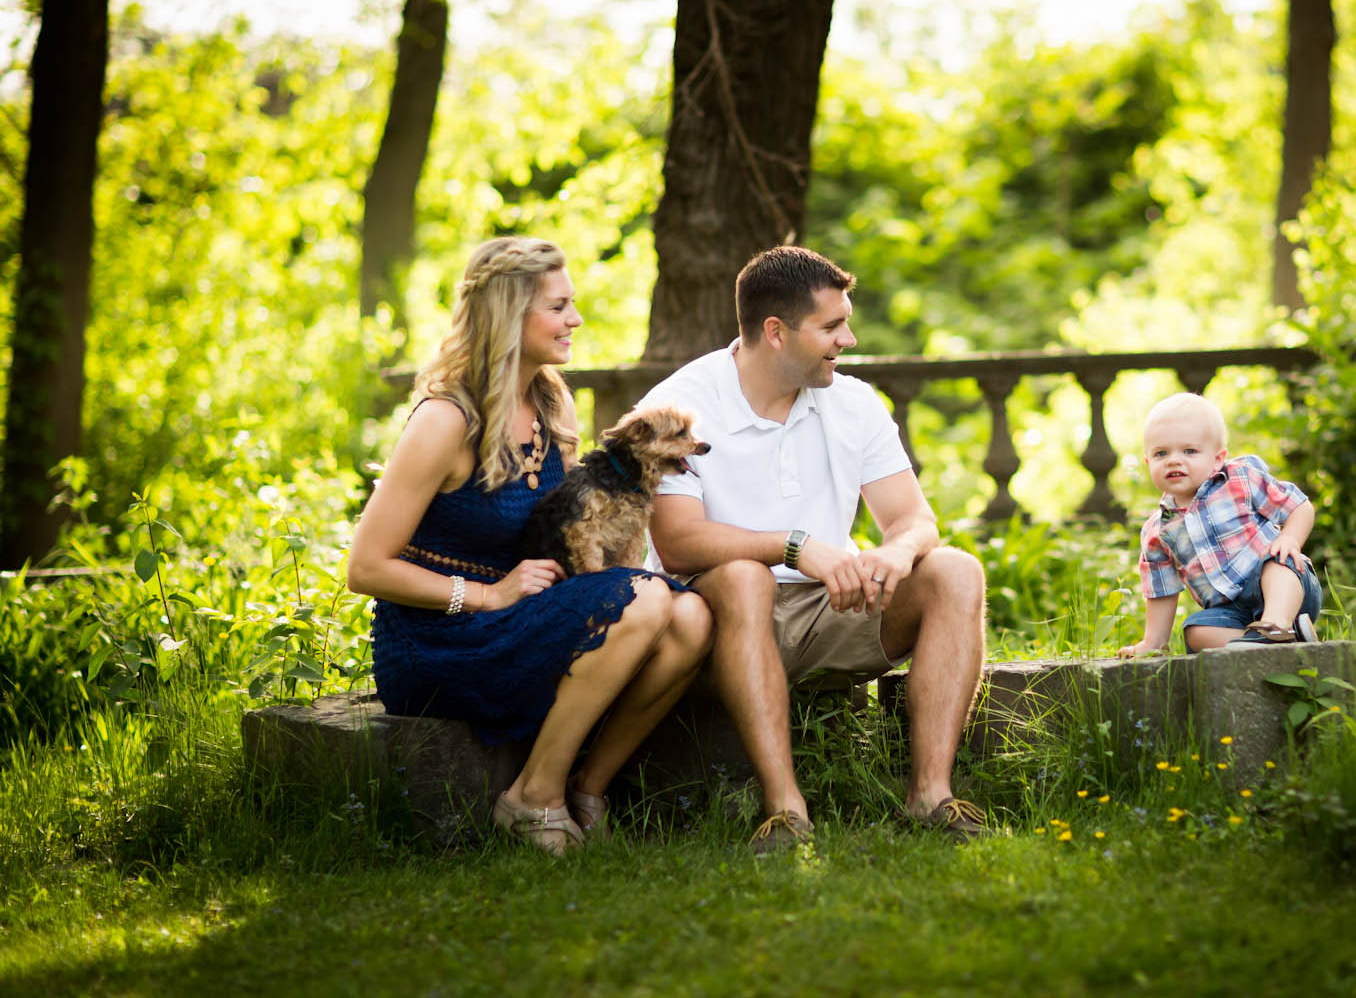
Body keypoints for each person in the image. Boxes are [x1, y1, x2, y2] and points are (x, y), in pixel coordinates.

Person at [347, 237, 713, 855]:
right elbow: (365, 567)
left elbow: (569, 528)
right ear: (509, 314)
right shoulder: (445, 422)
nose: (575, 320)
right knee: (646, 601)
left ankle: (588, 787)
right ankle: (531, 797)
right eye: (559, 307)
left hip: (523, 608)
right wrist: (487, 596)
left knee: (691, 617)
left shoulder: (547, 402)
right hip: (441, 636)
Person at [639, 246, 991, 850]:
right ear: (775, 332)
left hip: (834, 610)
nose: (848, 339)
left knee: (955, 571)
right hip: (713, 623)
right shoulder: (678, 406)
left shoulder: (853, 403)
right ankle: (785, 809)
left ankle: (931, 794)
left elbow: (912, 518)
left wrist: (896, 554)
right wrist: (795, 547)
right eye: (831, 326)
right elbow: (677, 544)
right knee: (747, 576)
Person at [1118, 392, 1322, 656]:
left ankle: (1277, 626)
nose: (1174, 460)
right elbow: (1162, 592)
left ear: (1217, 458)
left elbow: (1299, 506)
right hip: (1230, 612)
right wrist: (1152, 643)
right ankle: (1273, 644)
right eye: (1161, 453)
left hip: (1287, 587)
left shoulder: (1240, 479)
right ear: (1148, 462)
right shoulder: (1158, 531)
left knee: (1276, 561)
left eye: (1189, 451)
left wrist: (1290, 539)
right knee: (1195, 631)